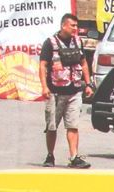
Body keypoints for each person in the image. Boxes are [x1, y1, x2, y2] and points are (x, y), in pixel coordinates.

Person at [39, 13, 93, 169]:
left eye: (76, 26)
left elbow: (83, 64)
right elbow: (43, 65)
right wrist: (44, 86)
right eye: (72, 26)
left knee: (73, 125)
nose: (75, 29)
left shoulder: (78, 42)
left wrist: (88, 84)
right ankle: (50, 155)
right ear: (63, 26)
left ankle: (74, 157)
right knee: (52, 126)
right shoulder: (50, 44)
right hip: (55, 93)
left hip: (74, 91)